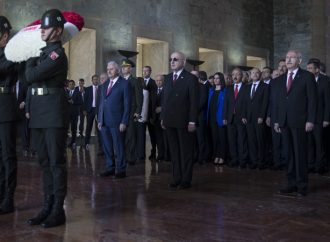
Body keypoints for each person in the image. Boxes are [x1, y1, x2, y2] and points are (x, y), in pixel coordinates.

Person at [25, 9, 69, 227]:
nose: (42, 30)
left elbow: (31, 76)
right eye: (42, 27)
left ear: (58, 30)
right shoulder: (42, 53)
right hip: (41, 111)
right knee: (44, 162)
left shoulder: (56, 55)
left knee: (56, 162)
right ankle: (47, 205)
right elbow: (31, 84)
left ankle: (58, 210)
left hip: (53, 112)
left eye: (47, 27)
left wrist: (30, 57)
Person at [274, 50, 317, 197]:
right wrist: (277, 121)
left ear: (299, 60)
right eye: (287, 57)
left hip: (300, 121)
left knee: (299, 154)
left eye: (292, 57)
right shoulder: (280, 79)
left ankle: (302, 185)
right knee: (289, 155)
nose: (289, 60)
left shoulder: (307, 76)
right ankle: (291, 184)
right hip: (284, 122)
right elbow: (279, 102)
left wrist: (310, 120)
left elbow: (312, 100)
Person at [161, 51, 199, 189]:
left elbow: (194, 102)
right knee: (174, 151)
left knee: (186, 151)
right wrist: (163, 118)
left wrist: (192, 121)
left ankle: (186, 179)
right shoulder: (168, 78)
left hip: (184, 121)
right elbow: (164, 100)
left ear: (183, 61)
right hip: (170, 120)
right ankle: (176, 177)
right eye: (171, 59)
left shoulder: (190, 78)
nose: (172, 61)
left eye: (175, 59)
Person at [98, 61, 130, 178]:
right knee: (107, 146)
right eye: (108, 69)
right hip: (105, 121)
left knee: (119, 146)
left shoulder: (124, 84)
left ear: (117, 70)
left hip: (118, 122)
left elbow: (127, 104)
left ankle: (121, 169)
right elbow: (102, 103)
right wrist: (100, 120)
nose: (109, 71)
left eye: (111, 69)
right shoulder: (105, 84)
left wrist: (124, 121)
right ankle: (110, 167)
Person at [0, 15, 19, 215]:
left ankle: (8, 197)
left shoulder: (11, 54)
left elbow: (4, 68)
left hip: (5, 107)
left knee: (8, 156)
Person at [242, 68, 269, 169]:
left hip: (259, 118)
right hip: (248, 118)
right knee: (251, 140)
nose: (254, 74)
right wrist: (244, 115)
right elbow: (244, 103)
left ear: (260, 75)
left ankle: (261, 162)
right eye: (253, 73)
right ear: (250, 75)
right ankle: (254, 161)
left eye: (257, 73)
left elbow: (265, 102)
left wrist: (262, 116)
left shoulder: (265, 87)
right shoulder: (246, 87)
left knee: (260, 140)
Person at [223, 67, 248, 168]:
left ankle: (243, 160)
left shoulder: (246, 88)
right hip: (230, 118)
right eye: (233, 74)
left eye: (237, 74)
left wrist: (244, 115)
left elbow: (247, 104)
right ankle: (234, 159)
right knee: (231, 140)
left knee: (242, 140)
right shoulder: (228, 89)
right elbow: (226, 104)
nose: (235, 76)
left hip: (241, 117)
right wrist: (224, 117)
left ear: (241, 76)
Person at [207, 72, 227, 166]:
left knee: (221, 138)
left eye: (217, 78)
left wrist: (225, 117)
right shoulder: (211, 90)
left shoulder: (225, 90)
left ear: (221, 79)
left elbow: (227, 106)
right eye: (214, 78)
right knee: (214, 138)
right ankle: (216, 155)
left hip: (220, 117)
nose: (215, 80)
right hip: (211, 117)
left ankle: (222, 156)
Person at [142, 66, 157, 160]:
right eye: (143, 71)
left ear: (150, 72)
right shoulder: (139, 82)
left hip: (151, 114)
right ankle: (141, 153)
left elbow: (154, 100)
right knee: (141, 134)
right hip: (142, 114)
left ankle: (153, 152)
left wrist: (152, 115)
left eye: (146, 71)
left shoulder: (154, 83)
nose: (145, 72)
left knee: (152, 135)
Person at [84, 74, 99, 149]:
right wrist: (84, 110)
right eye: (94, 79)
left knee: (99, 128)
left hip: (98, 111)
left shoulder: (101, 89)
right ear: (92, 80)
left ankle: (101, 145)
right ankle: (86, 143)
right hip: (90, 110)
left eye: (97, 79)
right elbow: (85, 100)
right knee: (88, 127)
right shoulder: (88, 89)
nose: (95, 81)